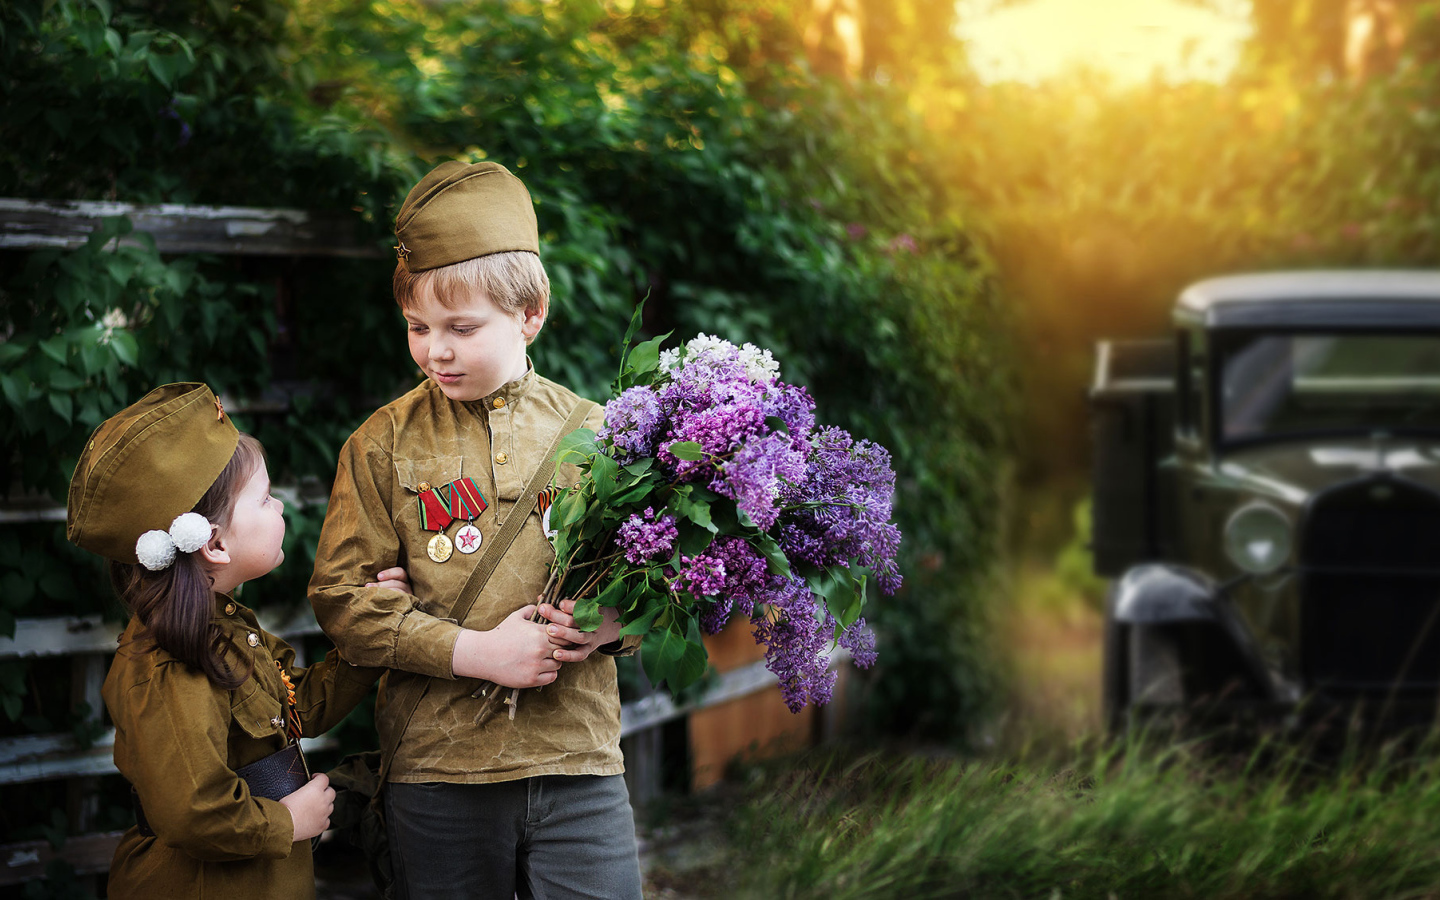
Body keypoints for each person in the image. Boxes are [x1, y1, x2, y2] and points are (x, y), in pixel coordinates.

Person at [308, 160, 645, 900]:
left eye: (462, 328)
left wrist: (611, 627)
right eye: (417, 328)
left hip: (578, 761)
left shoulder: (601, 435)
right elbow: (342, 598)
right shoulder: (380, 442)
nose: (436, 350)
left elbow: (653, 583)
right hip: (438, 770)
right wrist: (475, 651)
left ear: (531, 314)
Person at [66, 382, 409, 899]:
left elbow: (297, 708)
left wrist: (375, 632)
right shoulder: (169, 666)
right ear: (216, 544)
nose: (280, 507)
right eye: (265, 498)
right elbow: (192, 810)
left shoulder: (223, 631)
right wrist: (286, 822)